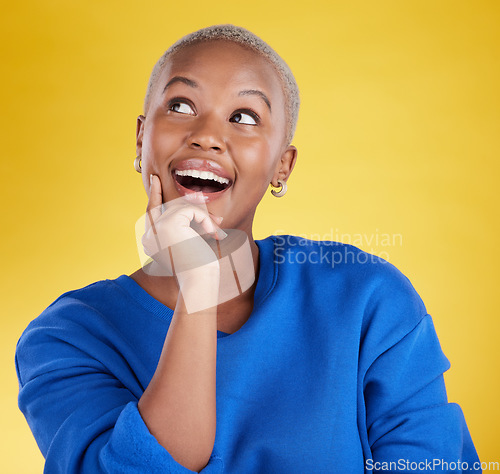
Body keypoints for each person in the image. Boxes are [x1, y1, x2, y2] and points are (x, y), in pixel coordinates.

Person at [15, 24, 480, 473]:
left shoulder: (368, 300)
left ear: (282, 165)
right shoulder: (66, 339)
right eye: (180, 105)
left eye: (243, 117)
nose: (207, 135)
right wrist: (197, 282)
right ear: (141, 138)